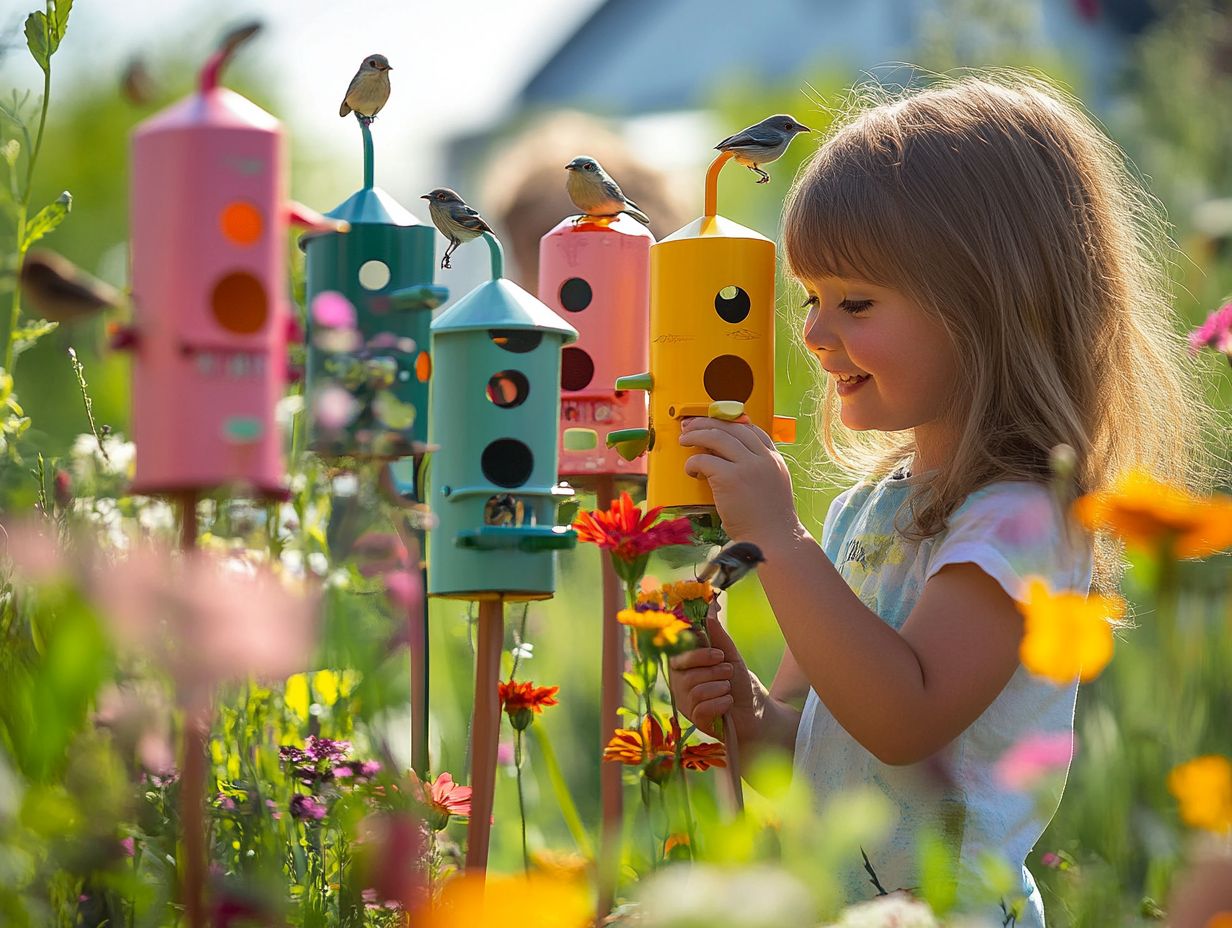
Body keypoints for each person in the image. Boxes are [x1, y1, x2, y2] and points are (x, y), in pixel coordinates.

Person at [668, 72, 1213, 926]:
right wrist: (743, 710)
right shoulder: (866, 511)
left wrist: (776, 537)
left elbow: (905, 720)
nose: (813, 334)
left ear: (989, 309)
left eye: (855, 302)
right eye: (812, 299)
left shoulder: (1021, 522)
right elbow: (810, 749)